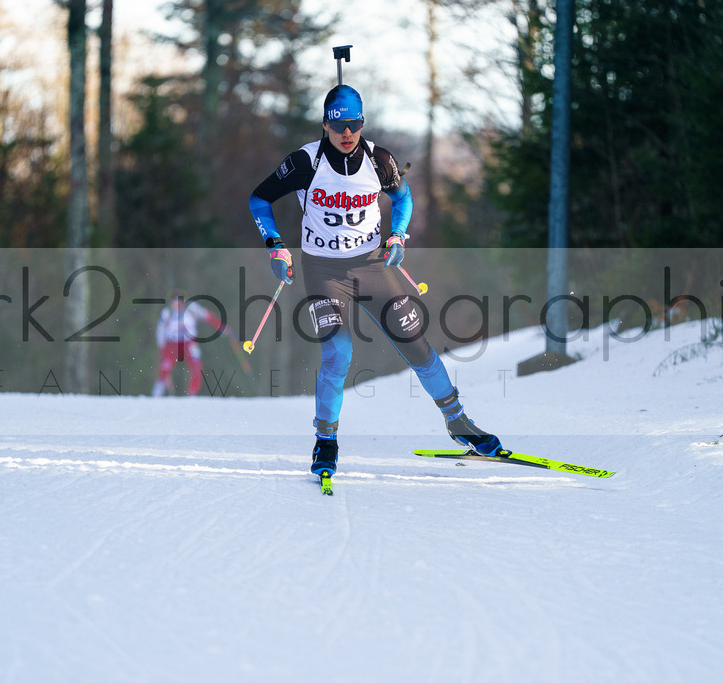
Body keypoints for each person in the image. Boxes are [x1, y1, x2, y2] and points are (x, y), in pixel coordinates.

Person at [248, 83, 502, 477]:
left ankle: (458, 422)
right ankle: (326, 442)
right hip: (324, 270)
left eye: (354, 124)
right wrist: (276, 245)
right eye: (338, 126)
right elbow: (259, 198)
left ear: (362, 123)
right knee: (339, 351)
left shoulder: (379, 159)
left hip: (372, 266)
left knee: (415, 343)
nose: (347, 133)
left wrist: (398, 235)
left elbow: (403, 198)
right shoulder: (304, 163)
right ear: (325, 126)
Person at [153, 292, 224, 397]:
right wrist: (161, 348)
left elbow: (207, 316)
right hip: (171, 344)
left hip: (189, 343)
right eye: (175, 301)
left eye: (180, 301)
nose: (178, 304)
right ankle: (156, 394)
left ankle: (192, 394)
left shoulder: (191, 308)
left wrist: (221, 327)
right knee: (165, 369)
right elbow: (160, 331)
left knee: (197, 367)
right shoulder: (166, 313)